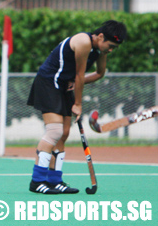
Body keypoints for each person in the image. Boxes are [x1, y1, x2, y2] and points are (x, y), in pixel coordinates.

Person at [27, 20, 127, 194]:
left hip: (64, 85)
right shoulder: (83, 41)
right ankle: (37, 181)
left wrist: (73, 85)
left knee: (63, 134)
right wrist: (78, 104)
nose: (110, 50)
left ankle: (55, 180)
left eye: (114, 48)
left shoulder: (100, 49)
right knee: (54, 131)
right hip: (48, 82)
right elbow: (79, 75)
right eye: (110, 46)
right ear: (101, 36)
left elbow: (99, 73)